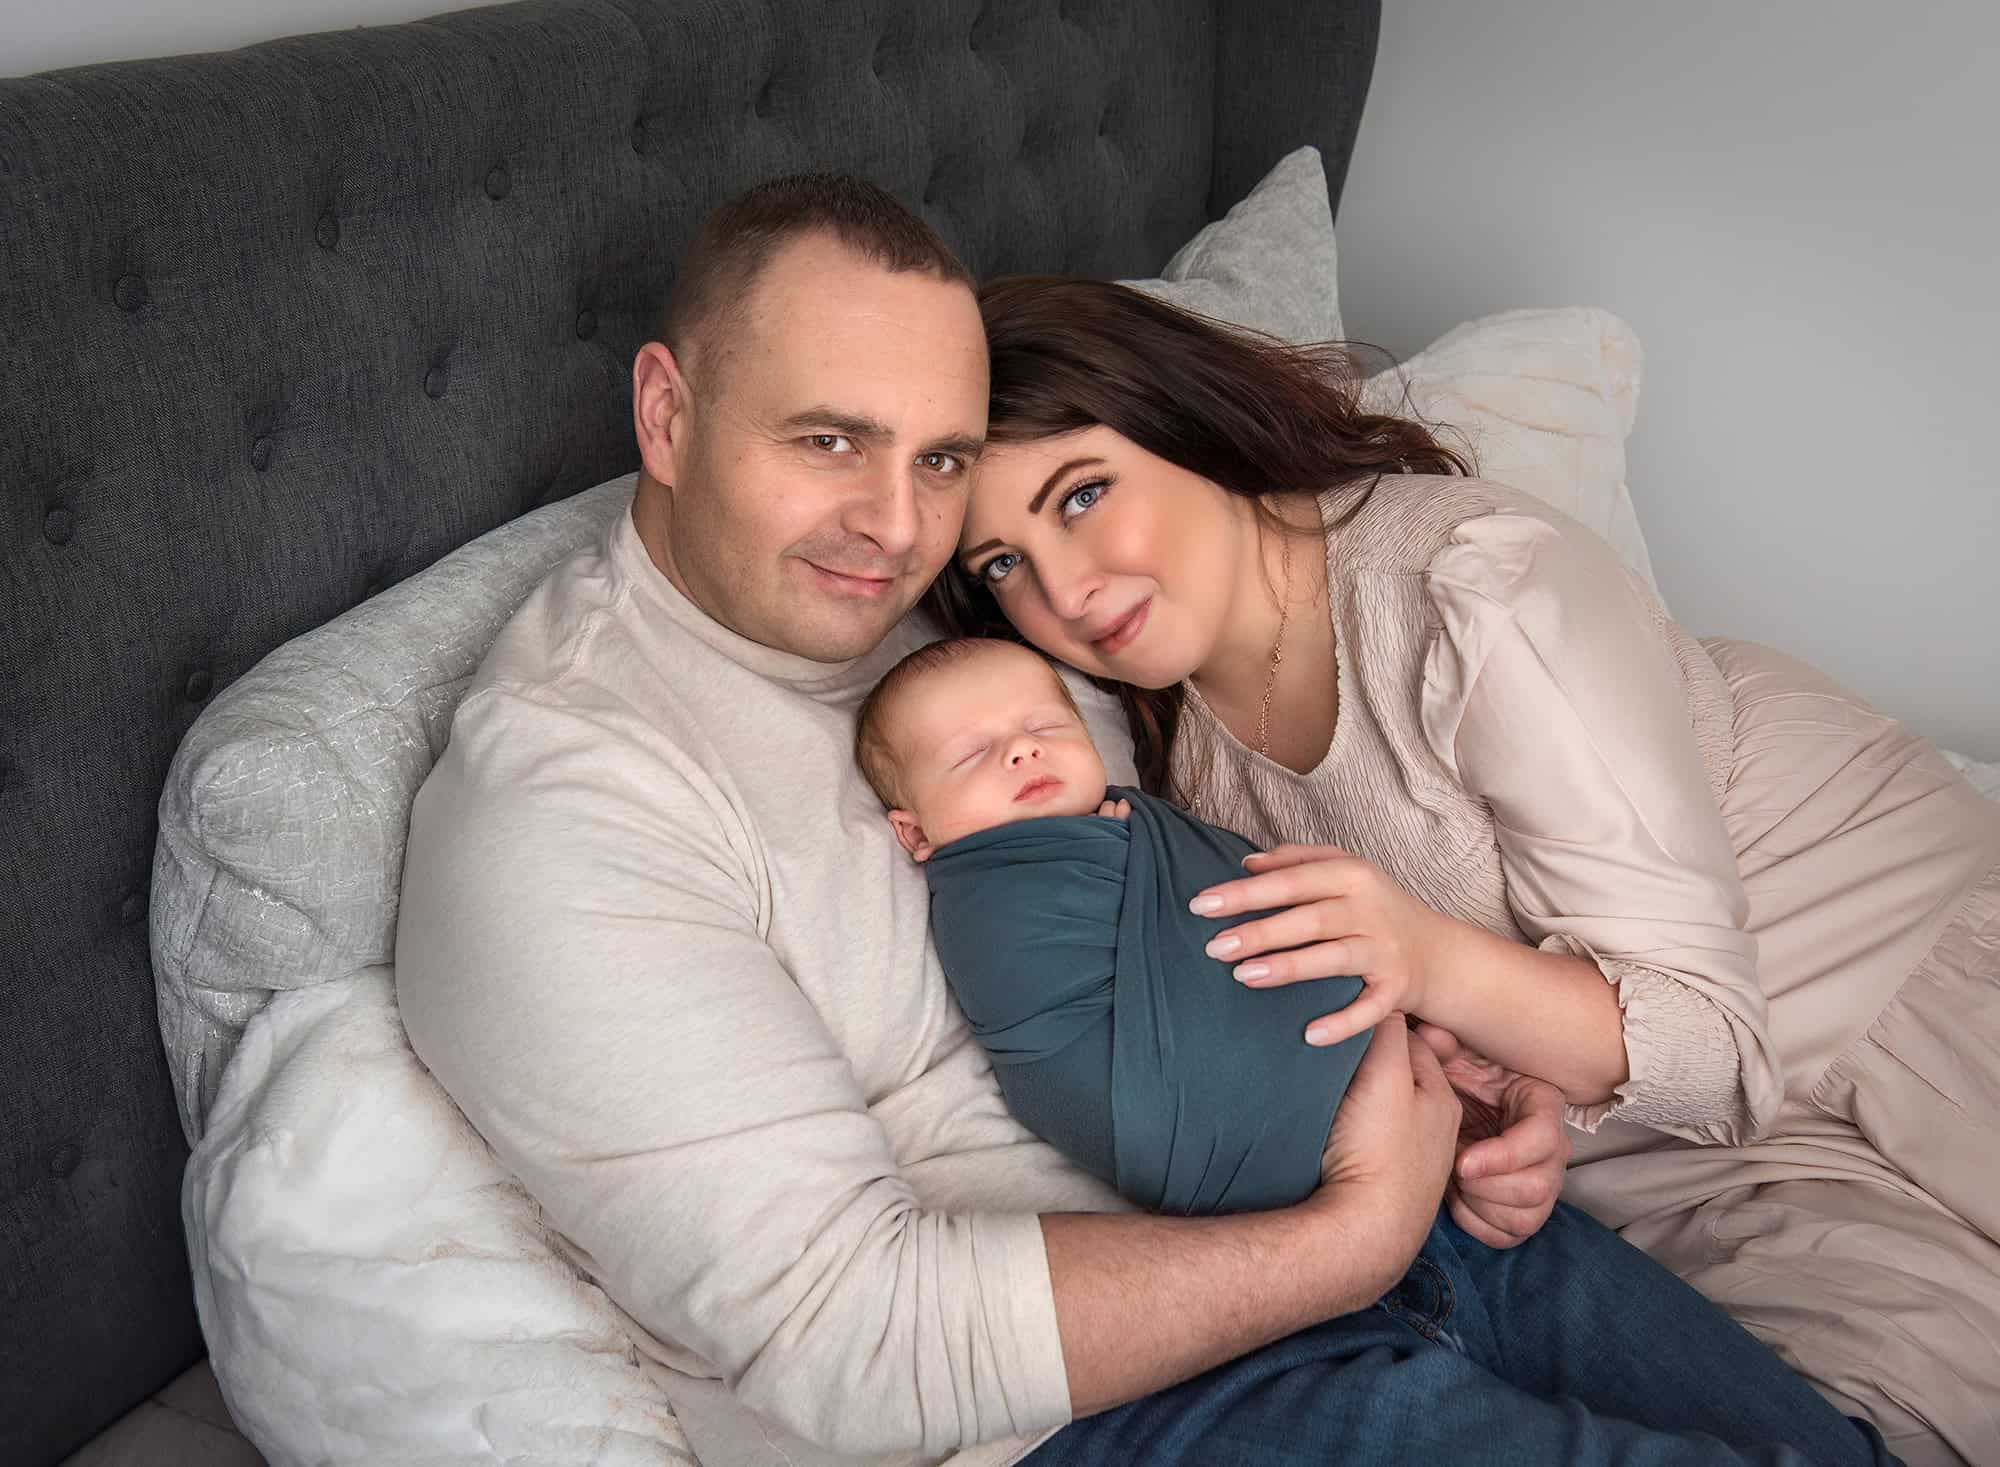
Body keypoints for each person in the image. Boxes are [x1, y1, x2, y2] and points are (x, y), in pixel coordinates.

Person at [393, 174, 1899, 1467]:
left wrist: (1452, 1077)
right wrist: (1354, 1232)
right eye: (825, 440)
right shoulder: (564, 808)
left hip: (1396, 1192)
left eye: (933, 459)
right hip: (1114, 1398)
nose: (895, 525)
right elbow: (837, 1332)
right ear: (666, 409)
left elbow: (1201, 879)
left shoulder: (974, 605)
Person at [939, 272, 2000, 1467]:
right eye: (1001, 567)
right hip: (1656, 1153)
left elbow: (1708, 1044)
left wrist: (1426, 958)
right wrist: (1495, 1103)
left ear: (1183, 418)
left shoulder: (1473, 594)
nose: (1063, 593)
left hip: (1884, 981)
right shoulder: (1178, 758)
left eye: (1079, 495)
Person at [854, 634, 1371, 1217]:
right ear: (916, 833)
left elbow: (1247, 885)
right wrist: (1116, 862)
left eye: (1046, 728)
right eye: (972, 754)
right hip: (1192, 1131)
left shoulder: (1140, 820)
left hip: (1355, 1084)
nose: (1023, 750)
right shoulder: (986, 900)